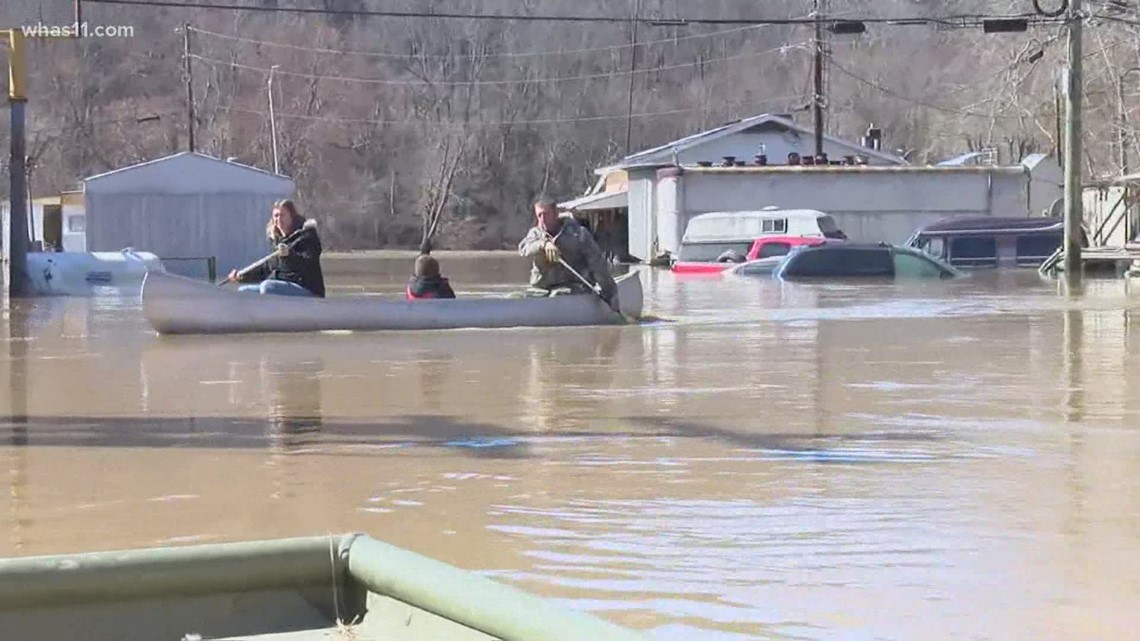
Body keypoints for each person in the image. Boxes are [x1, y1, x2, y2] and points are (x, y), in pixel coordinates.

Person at [518, 198, 619, 311]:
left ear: (556, 213)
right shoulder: (535, 234)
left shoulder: (578, 234)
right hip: (543, 287)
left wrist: (609, 292)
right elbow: (523, 249)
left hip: (573, 287)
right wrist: (543, 244)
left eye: (546, 215)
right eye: (539, 216)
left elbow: (597, 264)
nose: (542, 220)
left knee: (564, 293)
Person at [228, 199, 326, 298]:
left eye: (282, 215)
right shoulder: (278, 241)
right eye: (276, 216)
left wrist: (288, 255)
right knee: (244, 291)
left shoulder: (307, 237)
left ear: (292, 217)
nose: (278, 219)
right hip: (284, 287)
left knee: (268, 287)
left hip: (308, 290)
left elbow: (307, 264)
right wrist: (241, 276)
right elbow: (266, 268)